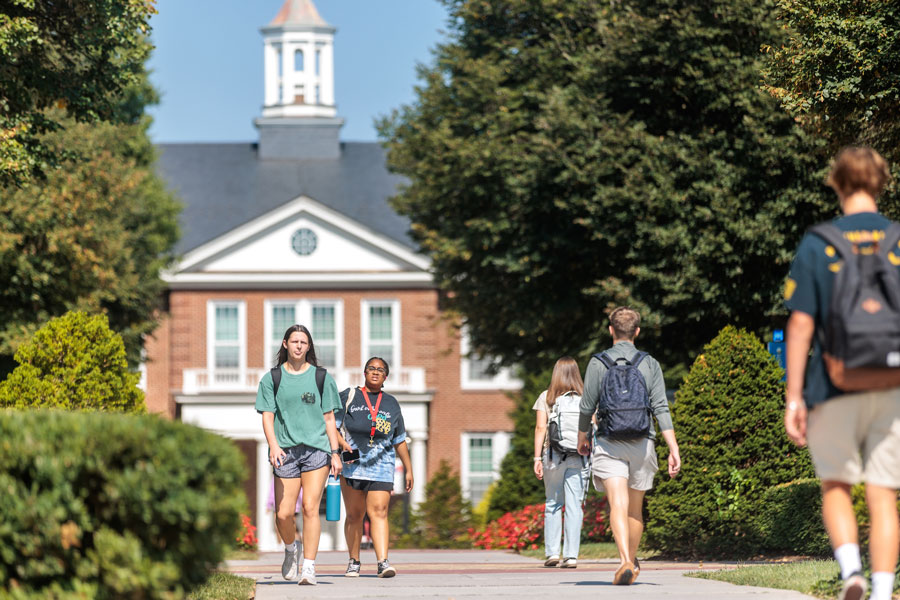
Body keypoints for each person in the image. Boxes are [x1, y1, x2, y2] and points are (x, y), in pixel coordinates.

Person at [784, 147, 898, 600]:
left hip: (831, 384)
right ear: (881, 182)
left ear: (836, 183)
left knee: (836, 484)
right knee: (883, 492)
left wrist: (794, 396)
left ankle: (852, 572)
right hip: (892, 386)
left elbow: (801, 324)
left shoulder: (819, 242)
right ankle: (885, 591)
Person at [577, 306, 681, 586]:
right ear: (637, 331)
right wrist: (673, 447)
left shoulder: (598, 363)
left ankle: (624, 560)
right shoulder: (649, 363)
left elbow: (587, 406)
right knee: (635, 509)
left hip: (610, 442)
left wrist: (582, 437)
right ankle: (631, 563)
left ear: (611, 330)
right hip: (642, 442)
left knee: (617, 505)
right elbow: (661, 407)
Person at [256, 324, 343, 586]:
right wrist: (273, 445)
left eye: (303, 342)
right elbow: (268, 417)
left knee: (309, 508)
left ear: (309, 346)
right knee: (283, 513)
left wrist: (335, 453)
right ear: (285, 344)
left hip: (317, 450)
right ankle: (291, 549)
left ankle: (309, 567)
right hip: (285, 451)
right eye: (294, 341)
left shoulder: (322, 378)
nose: (298, 346)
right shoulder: (272, 379)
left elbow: (330, 419)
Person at [335, 357, 413, 578]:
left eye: (380, 370)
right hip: (352, 464)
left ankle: (383, 562)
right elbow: (332, 426)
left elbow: (399, 439)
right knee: (354, 515)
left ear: (385, 376)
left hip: (382, 465)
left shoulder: (391, 403)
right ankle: (354, 561)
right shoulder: (348, 397)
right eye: (371, 368)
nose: (375, 372)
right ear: (365, 372)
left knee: (379, 512)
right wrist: (340, 448)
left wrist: (408, 468)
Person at [533, 356, 590, 568]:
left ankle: (552, 554)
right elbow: (593, 426)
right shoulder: (586, 398)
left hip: (553, 456)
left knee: (553, 503)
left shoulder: (546, 397)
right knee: (575, 505)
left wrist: (537, 457)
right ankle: (571, 556)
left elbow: (540, 428)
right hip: (579, 456)